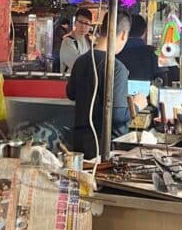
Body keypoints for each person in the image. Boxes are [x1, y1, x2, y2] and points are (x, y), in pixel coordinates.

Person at [66, 9, 131, 159]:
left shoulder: (81, 61)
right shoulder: (116, 67)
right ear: (123, 35)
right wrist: (139, 104)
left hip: (80, 142)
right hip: (106, 148)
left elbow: (71, 93)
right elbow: (117, 116)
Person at [119, 14, 160, 83]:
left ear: (125, 31)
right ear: (145, 32)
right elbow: (162, 79)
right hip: (148, 93)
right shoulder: (154, 52)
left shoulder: (116, 52)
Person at [59, 8, 93, 77]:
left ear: (90, 26)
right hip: (71, 83)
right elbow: (78, 65)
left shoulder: (88, 41)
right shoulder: (67, 41)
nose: (83, 26)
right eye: (80, 22)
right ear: (75, 23)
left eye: (86, 23)